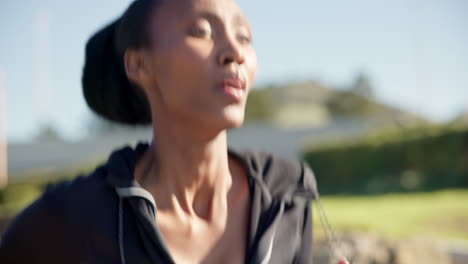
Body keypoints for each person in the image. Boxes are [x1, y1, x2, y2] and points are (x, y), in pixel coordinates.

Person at [0, 0, 321, 263]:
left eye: (244, 37)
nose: (234, 52)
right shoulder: (75, 216)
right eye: (202, 31)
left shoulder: (286, 194)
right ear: (140, 66)